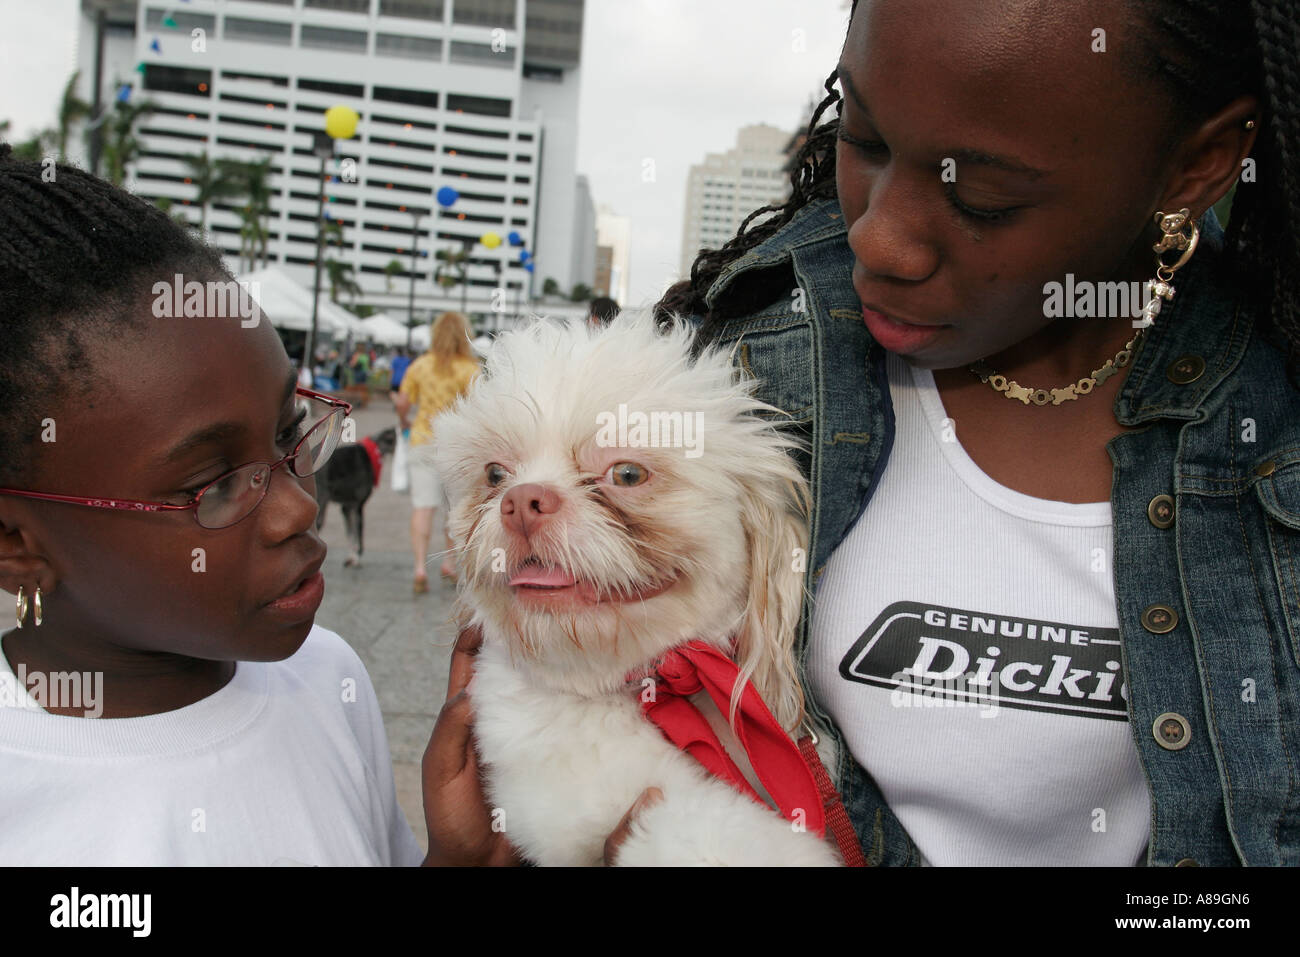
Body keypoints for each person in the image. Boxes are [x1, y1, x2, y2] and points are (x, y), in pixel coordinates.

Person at [422, 0, 1300, 866]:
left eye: (984, 195)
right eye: (864, 138)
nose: (878, 239)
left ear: (1202, 162)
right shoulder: (727, 372)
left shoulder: (1274, 421)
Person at [0, 144, 424, 866]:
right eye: (215, 485)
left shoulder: (326, 678)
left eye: (289, 431)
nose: (296, 509)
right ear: (16, 541)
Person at [396, 311, 481, 593]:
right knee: (454, 509)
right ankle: (449, 563)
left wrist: (404, 422)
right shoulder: (470, 369)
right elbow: (479, 410)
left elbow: (403, 402)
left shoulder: (420, 365)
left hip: (422, 439)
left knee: (423, 507)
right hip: (455, 447)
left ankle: (420, 568)